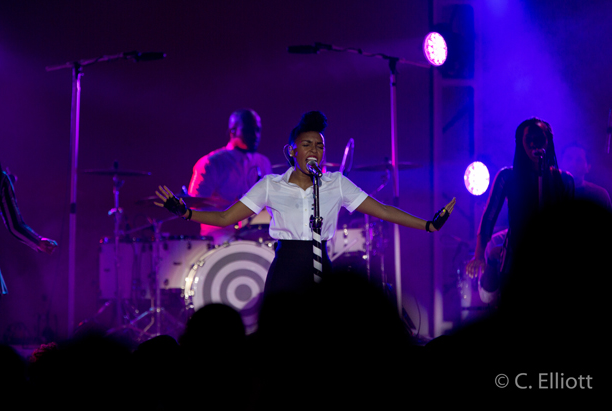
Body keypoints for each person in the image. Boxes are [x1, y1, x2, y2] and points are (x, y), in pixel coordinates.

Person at [157, 111, 456, 297]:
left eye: (320, 145)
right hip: (286, 267)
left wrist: (428, 225)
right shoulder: (271, 185)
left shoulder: (335, 183)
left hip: (320, 263)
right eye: (307, 144)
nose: (315, 150)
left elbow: (384, 210)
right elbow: (225, 218)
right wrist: (185, 211)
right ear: (292, 151)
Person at [466, 118, 574, 287]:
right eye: (528, 139)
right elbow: (489, 217)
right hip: (514, 260)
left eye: (538, 138)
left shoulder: (564, 180)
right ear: (520, 143)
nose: (533, 144)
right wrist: (479, 255)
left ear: (548, 141)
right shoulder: (507, 177)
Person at [187, 109, 272, 244]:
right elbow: (193, 205)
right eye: (249, 130)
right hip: (219, 234)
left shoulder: (263, 162)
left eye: (258, 130)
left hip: (254, 232)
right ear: (233, 131)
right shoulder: (211, 163)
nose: (255, 135)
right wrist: (230, 212)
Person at [0, 154, 58, 320]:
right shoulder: (1, 179)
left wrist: (38, 241)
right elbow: (15, 225)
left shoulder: (1, 179)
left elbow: (15, 224)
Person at [560, 141, 611, 211]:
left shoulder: (600, 195)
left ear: (588, 167)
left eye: (579, 160)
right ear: (560, 163)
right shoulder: (550, 190)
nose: (573, 163)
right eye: (569, 158)